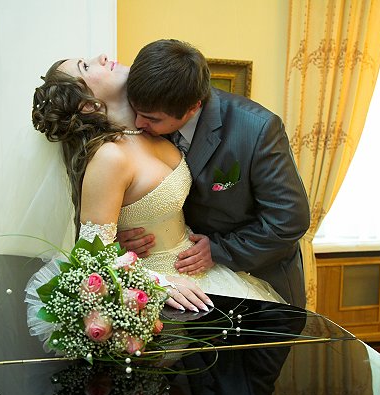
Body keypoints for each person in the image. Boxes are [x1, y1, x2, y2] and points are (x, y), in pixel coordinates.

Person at [27, 54, 285, 313]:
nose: (101, 57)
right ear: (87, 106)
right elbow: (91, 256)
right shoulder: (110, 157)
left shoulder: (155, 131)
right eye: (85, 66)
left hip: (201, 269)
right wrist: (157, 284)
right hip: (164, 288)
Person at [121, 39, 310, 307]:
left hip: (256, 277)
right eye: (136, 111)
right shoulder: (141, 120)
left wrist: (220, 250)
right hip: (178, 282)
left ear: (193, 107)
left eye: (152, 119)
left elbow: (289, 219)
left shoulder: (258, 130)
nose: (139, 123)